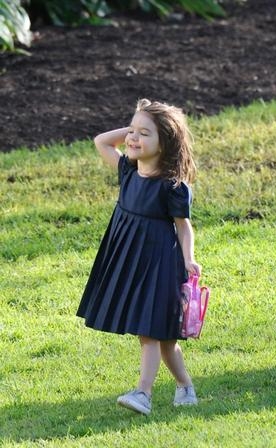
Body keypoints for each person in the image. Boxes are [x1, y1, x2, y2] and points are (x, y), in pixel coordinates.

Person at [77, 99, 201, 414]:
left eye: (144, 134)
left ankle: (143, 393)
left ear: (165, 143)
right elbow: (101, 141)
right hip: (130, 260)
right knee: (165, 341)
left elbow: (184, 227)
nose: (132, 138)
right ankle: (185, 385)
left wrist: (189, 259)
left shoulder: (173, 187)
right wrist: (139, 127)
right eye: (131, 132)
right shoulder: (128, 171)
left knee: (150, 332)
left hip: (160, 265)